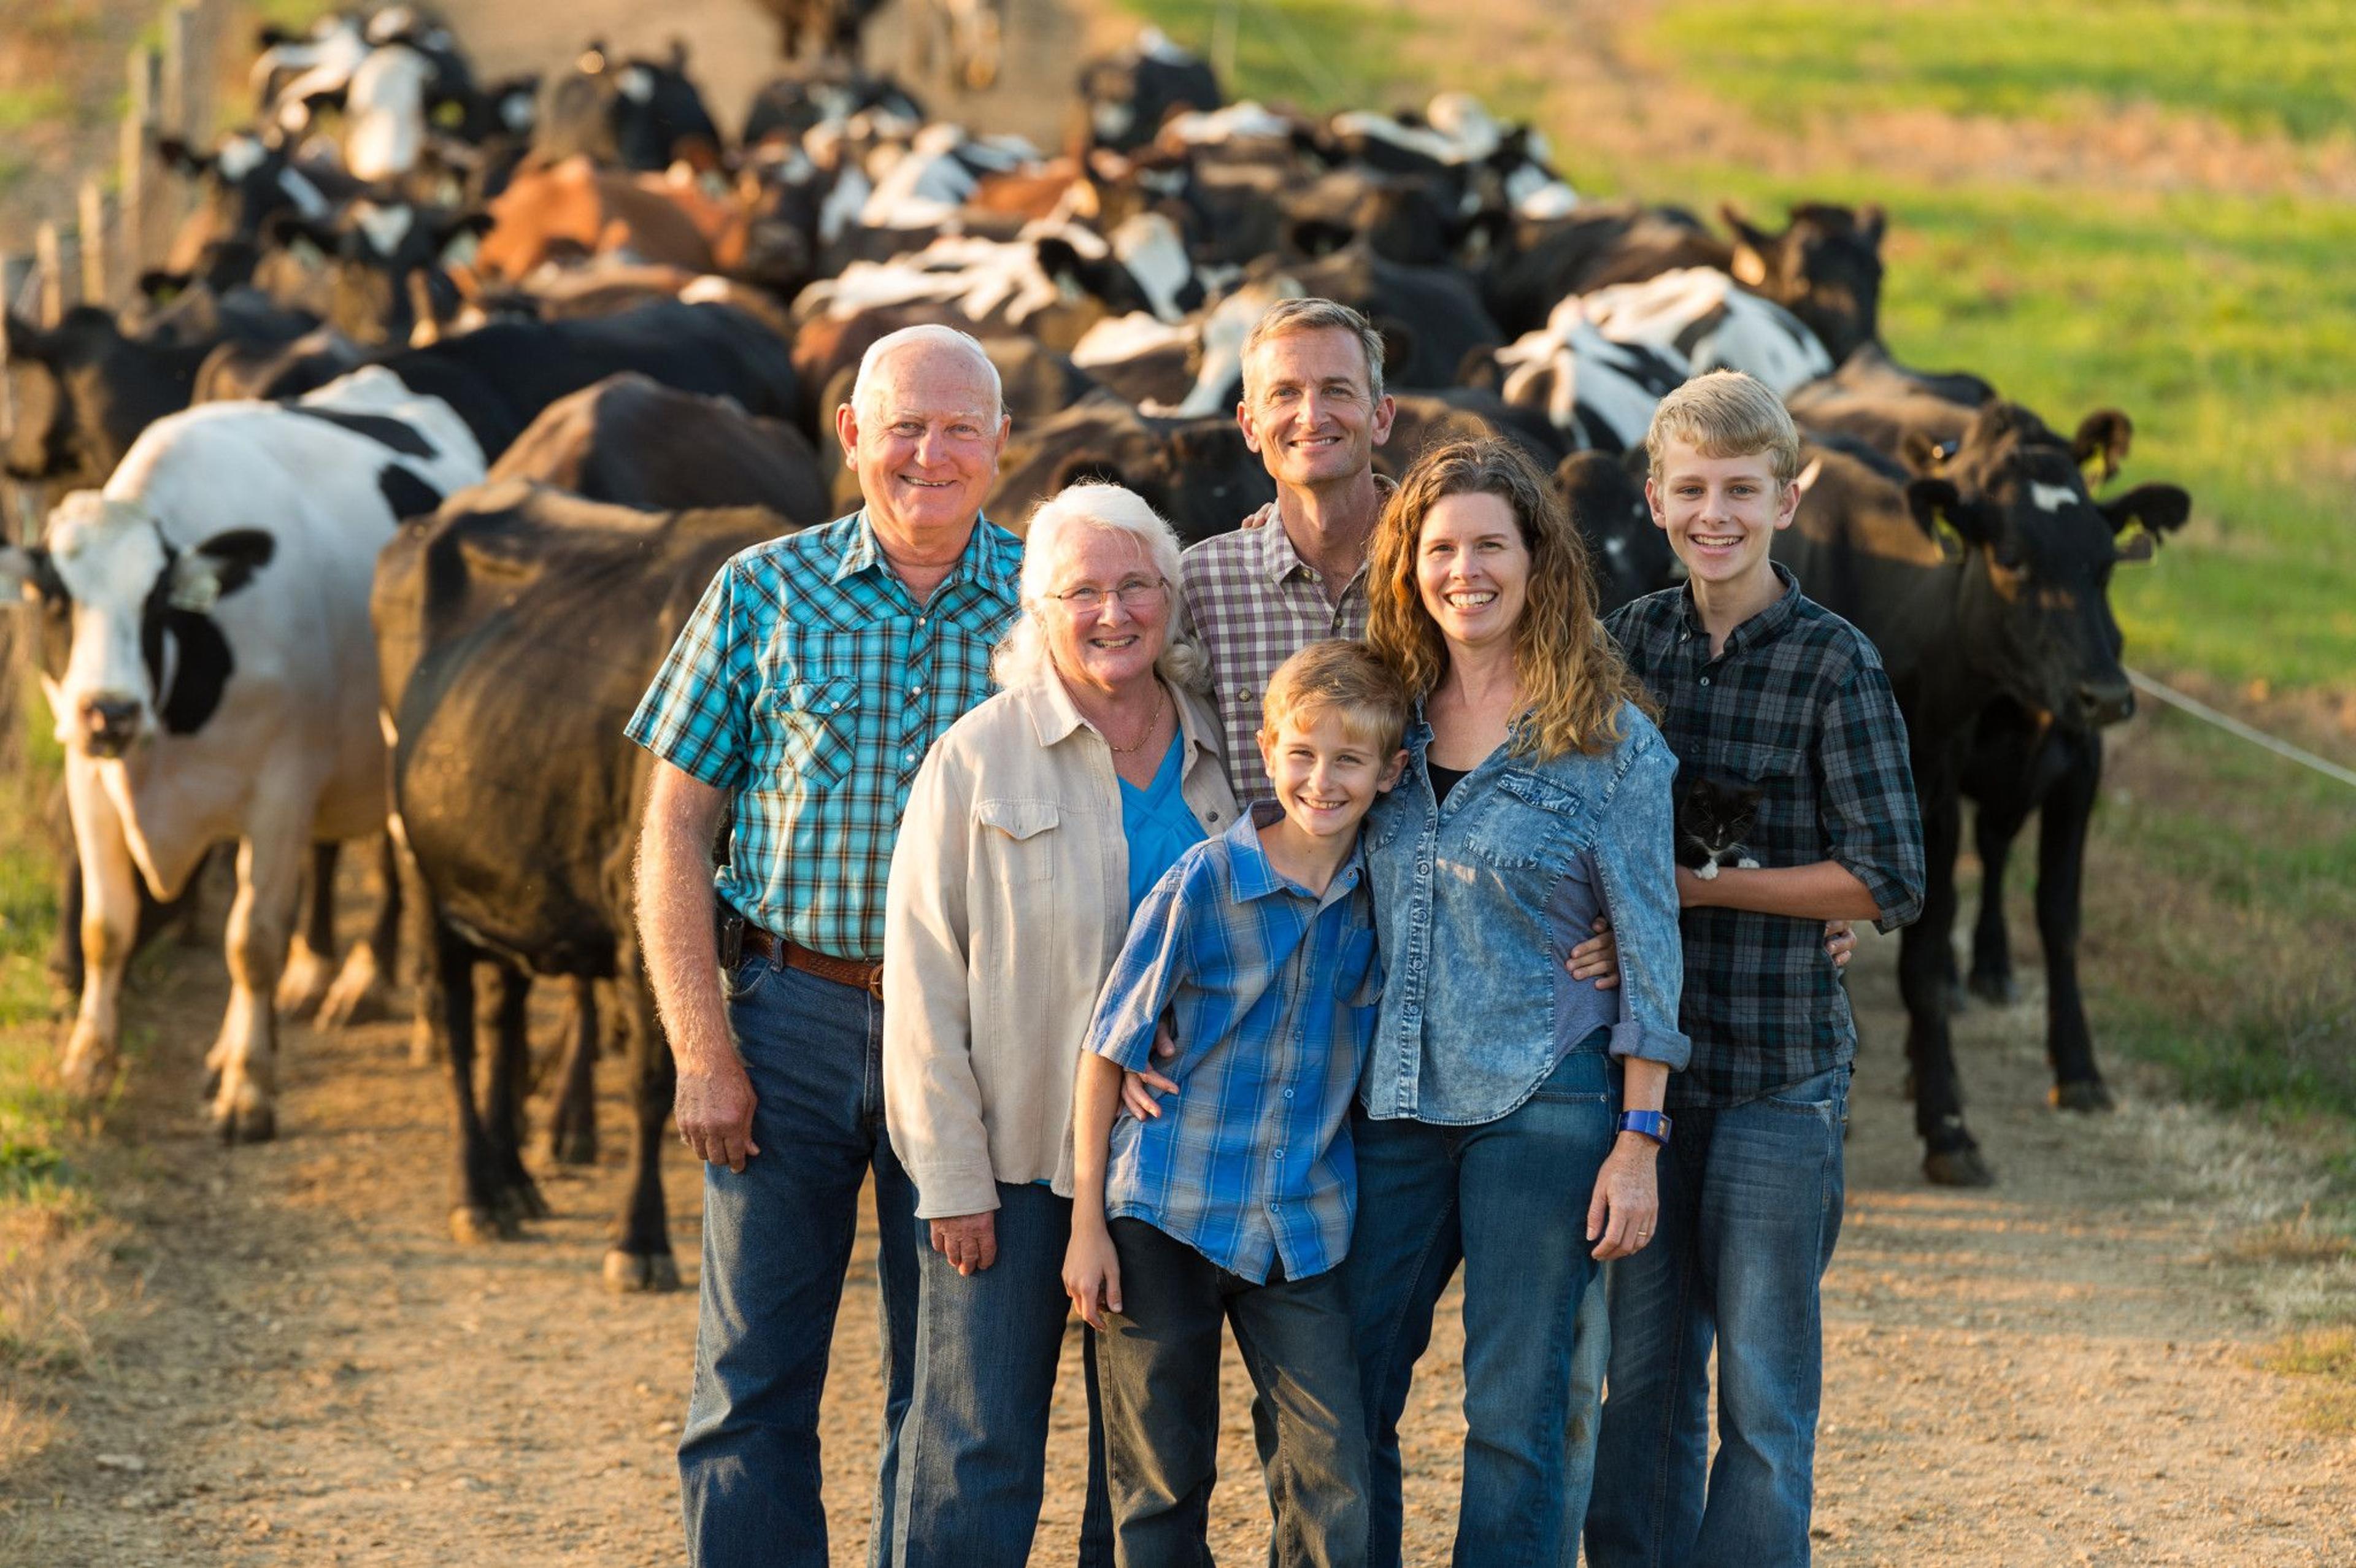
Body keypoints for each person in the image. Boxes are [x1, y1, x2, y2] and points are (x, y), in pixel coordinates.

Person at [629, 323, 1015, 1568]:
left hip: (975, 1036)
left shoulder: (1052, 604)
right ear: (850, 434)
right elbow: (675, 832)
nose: (931, 452)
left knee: (960, 1393)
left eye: (961, 427)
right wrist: (703, 1047)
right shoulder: (760, 589)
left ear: (1002, 448)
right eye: (904, 424)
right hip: (790, 1012)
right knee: (751, 1380)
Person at [1587, 370, 1926, 1568]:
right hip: (1649, 1079)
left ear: (1790, 500)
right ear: (1656, 498)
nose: (1713, 514)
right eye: (1691, 490)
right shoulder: (1624, 644)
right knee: (1644, 1382)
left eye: (1742, 490)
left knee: (1765, 1393)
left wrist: (1706, 889)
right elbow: (1567, 821)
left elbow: (1888, 878)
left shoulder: (1838, 665)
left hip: (1783, 1068)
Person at [1349, 436, 1691, 1567]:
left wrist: (1639, 1136)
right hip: (1389, 1107)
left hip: (1544, 1109)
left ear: (1538, 561)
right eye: (1440, 549)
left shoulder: (1609, 742)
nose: (1466, 571)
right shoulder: (1375, 724)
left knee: (1516, 1415)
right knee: (1340, 1392)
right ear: (1409, 568)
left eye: (1490, 545)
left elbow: (1648, 948)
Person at [881, 483, 1233, 1568]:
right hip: (1017, 1163)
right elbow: (923, 980)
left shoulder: (1226, 755)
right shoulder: (980, 758)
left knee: (1142, 1466)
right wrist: (949, 1178)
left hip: (1172, 1165)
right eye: (1081, 591)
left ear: (1172, 598)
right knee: (977, 1446)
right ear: (1038, 612)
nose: (1113, 613)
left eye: (1136, 585)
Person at [1066, 639, 1411, 1568]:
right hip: (1163, 1213)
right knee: (1163, 1479)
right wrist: (1087, 1225)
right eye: (1302, 754)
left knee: (1332, 1470)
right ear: (1265, 752)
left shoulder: (1385, 899)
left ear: (1392, 771)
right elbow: (1107, 1053)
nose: (1323, 780)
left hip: (1300, 1226)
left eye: (1350, 760)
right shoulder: (1205, 882)